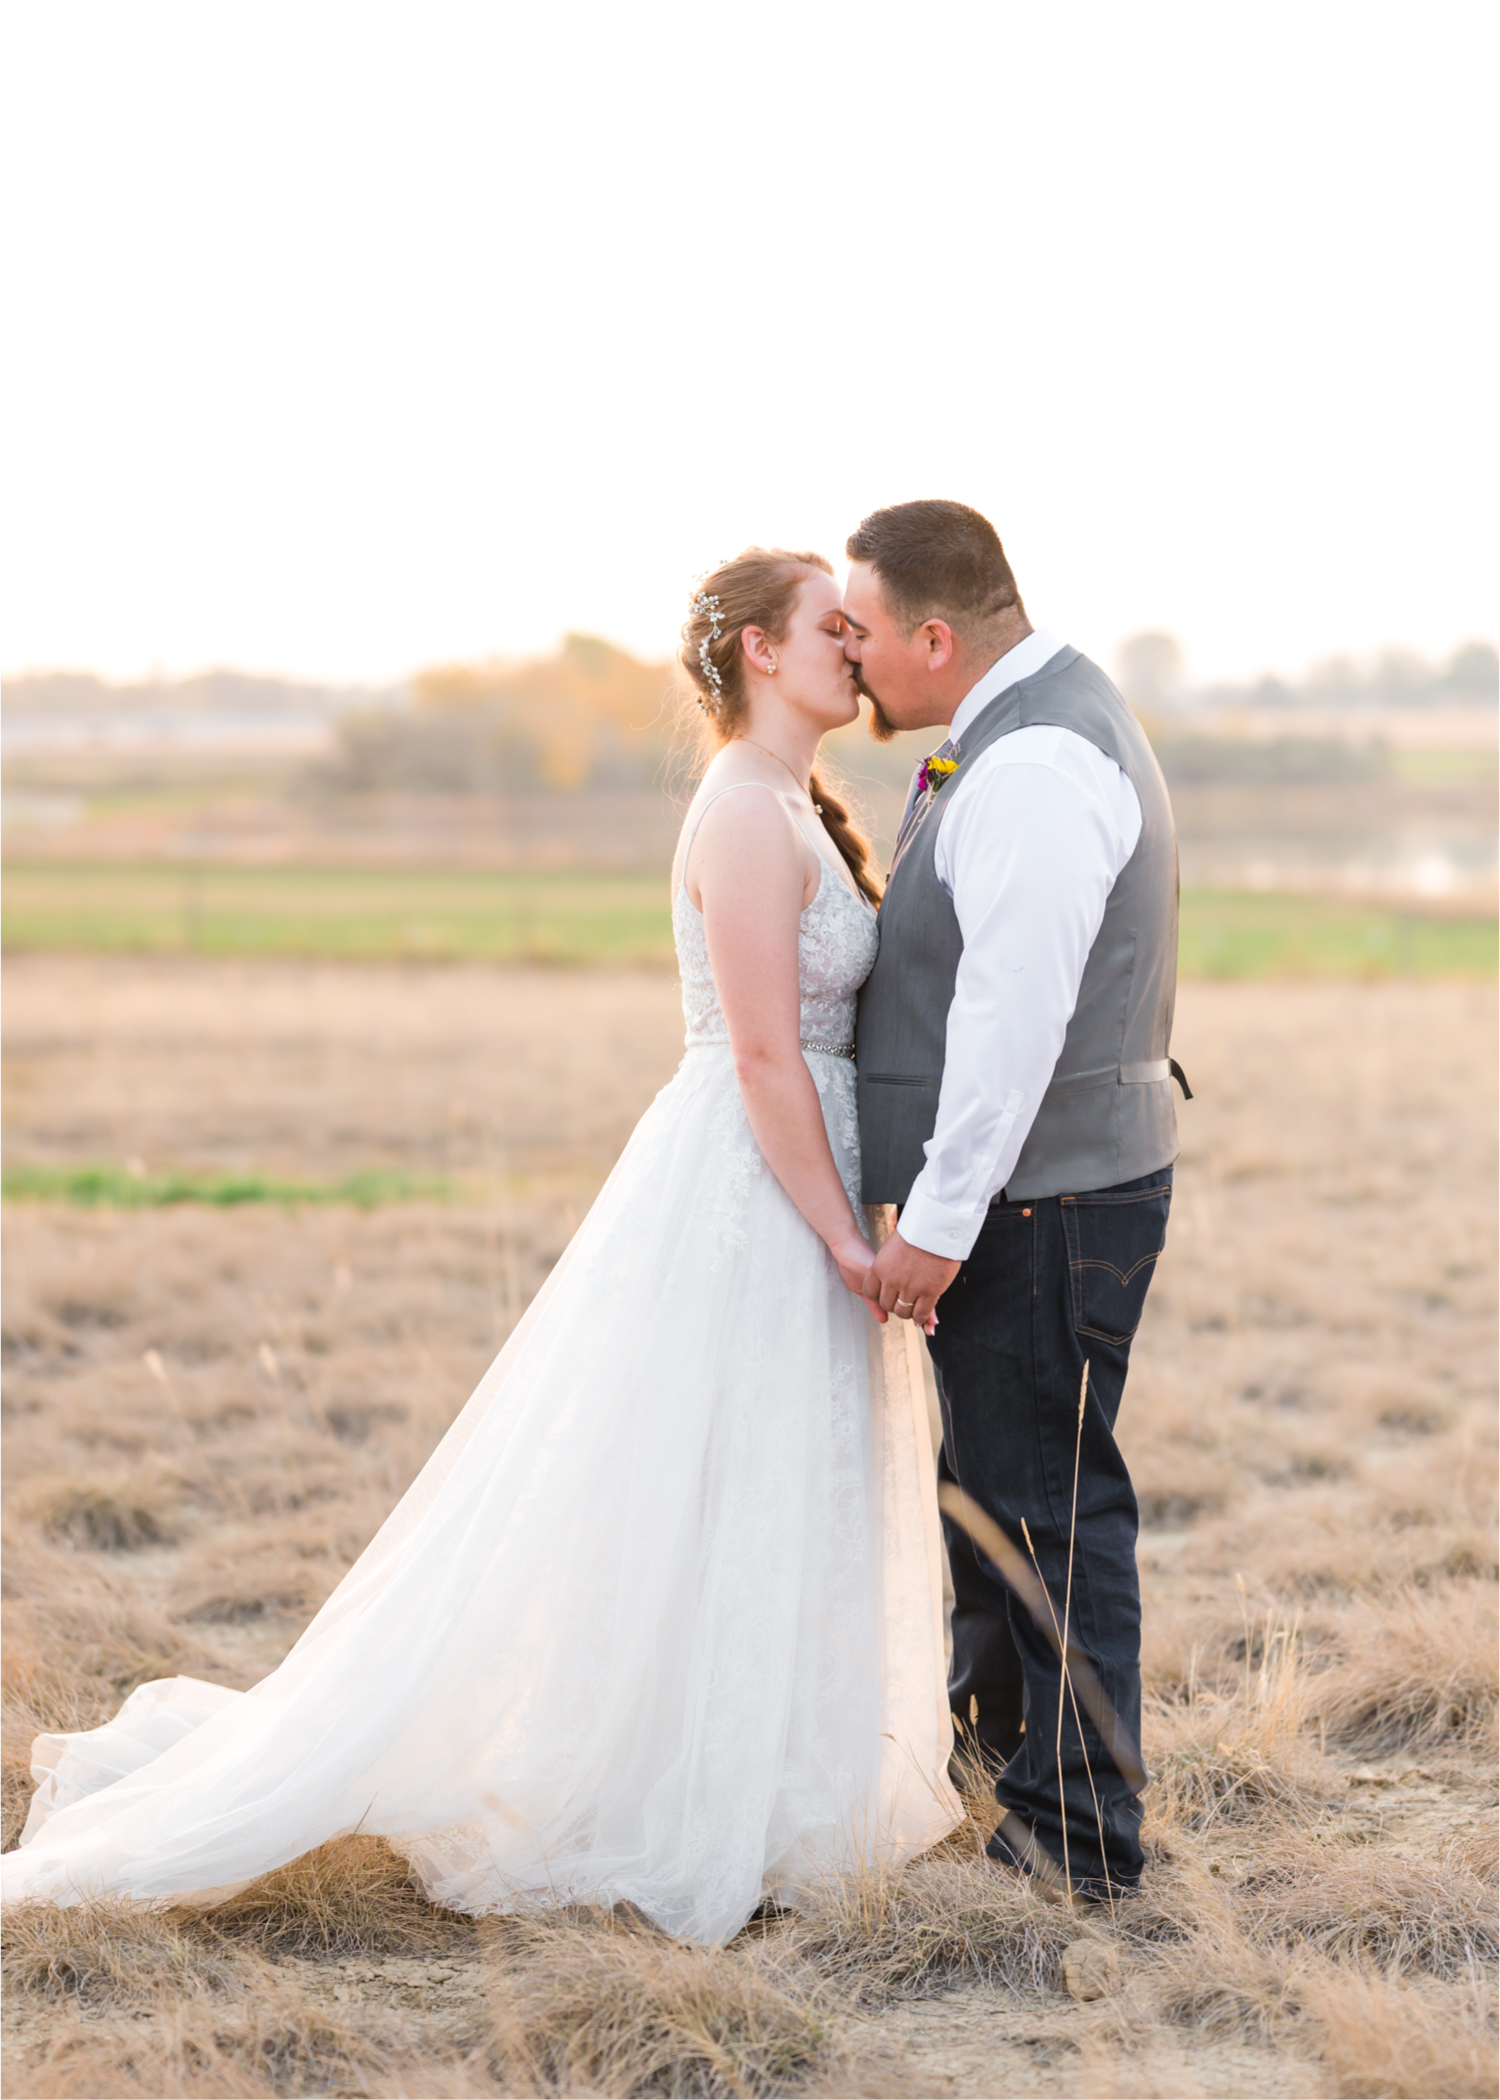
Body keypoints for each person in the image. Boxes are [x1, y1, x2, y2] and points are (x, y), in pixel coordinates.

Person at [1, 549, 961, 1943]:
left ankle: (771, 1783)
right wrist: (840, 1237)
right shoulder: (746, 815)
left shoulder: (791, 802)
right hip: (757, 1185)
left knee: (769, 1474)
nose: (855, 650)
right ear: (758, 650)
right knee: (720, 1468)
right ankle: (689, 1795)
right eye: (830, 628)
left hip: (798, 1172)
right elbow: (762, 1053)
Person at [844, 499, 1187, 1903]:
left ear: (935, 635)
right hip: (1033, 1202)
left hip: (1041, 1207)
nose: (852, 659)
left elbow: (1011, 1022)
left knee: (1043, 1517)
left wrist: (936, 1218)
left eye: (862, 631)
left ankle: (1078, 1847)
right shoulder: (1009, 729)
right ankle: (1008, 1797)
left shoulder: (1040, 759)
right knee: (994, 1504)